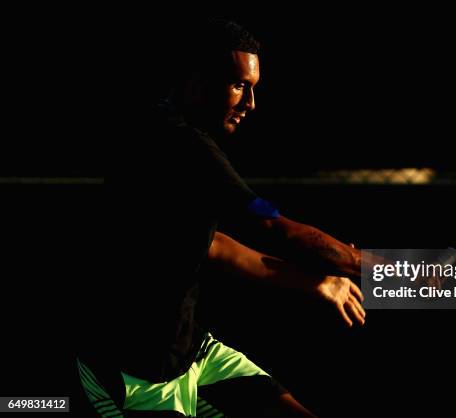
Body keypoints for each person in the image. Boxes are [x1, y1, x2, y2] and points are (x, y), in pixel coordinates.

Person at [77, 19, 365, 417]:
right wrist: (408, 274)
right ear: (196, 82)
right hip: (135, 378)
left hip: (194, 353)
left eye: (253, 88)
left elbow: (214, 246)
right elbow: (272, 226)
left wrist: (317, 282)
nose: (250, 104)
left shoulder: (163, 128)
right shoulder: (182, 145)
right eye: (238, 86)